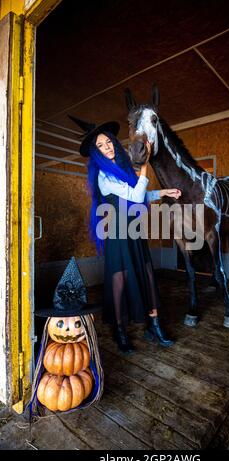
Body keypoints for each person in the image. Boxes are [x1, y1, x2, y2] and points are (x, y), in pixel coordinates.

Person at [69, 116, 181, 354]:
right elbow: (135, 197)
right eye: (100, 146)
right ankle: (120, 332)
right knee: (119, 281)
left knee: (146, 274)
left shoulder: (122, 168)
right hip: (118, 234)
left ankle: (154, 326)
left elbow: (137, 194)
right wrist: (145, 163)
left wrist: (163, 192)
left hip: (134, 230)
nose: (107, 147)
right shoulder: (103, 176)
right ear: (96, 153)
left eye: (108, 142)